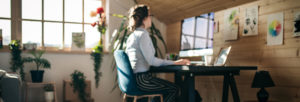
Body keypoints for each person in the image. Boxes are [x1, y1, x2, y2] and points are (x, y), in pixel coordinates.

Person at [125, 4, 190, 102]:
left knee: (165, 91)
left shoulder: (132, 36)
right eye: (150, 16)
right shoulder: (143, 35)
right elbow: (151, 61)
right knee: (174, 89)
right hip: (142, 80)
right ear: (145, 18)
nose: (151, 19)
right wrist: (175, 62)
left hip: (134, 80)